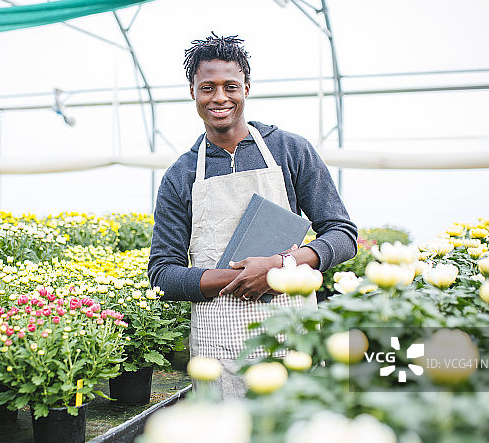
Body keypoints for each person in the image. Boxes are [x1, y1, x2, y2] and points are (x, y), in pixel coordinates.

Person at [148, 33, 357, 398]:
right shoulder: (180, 176)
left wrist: (279, 266)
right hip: (218, 343)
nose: (219, 97)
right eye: (207, 87)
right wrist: (235, 278)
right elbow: (162, 274)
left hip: (290, 330)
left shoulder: (289, 150)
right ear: (192, 92)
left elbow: (342, 235)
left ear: (246, 87)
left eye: (230, 86)